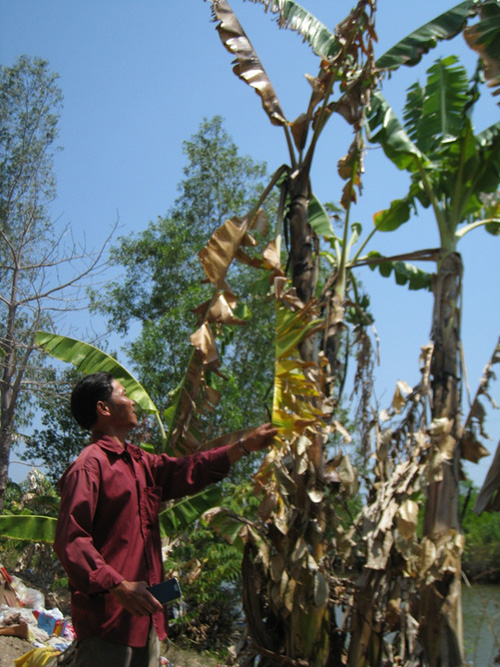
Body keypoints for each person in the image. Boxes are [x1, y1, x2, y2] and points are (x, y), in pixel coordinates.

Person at [53, 372, 276, 667]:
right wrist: (120, 586)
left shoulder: (141, 463)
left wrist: (245, 445)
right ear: (103, 408)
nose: (133, 401)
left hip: (146, 623)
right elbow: (71, 540)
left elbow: (188, 469)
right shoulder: (89, 466)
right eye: (124, 394)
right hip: (108, 624)